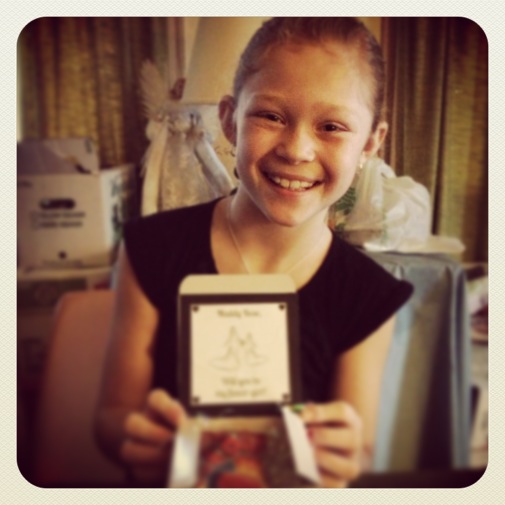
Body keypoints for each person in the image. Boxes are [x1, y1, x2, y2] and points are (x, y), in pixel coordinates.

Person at [94, 17, 413, 487]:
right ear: (229, 119)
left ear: (370, 143)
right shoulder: (152, 249)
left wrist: (344, 458)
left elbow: (358, 451)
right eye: (271, 116)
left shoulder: (367, 295)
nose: (297, 150)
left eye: (331, 126)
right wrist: (136, 437)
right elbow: (111, 416)